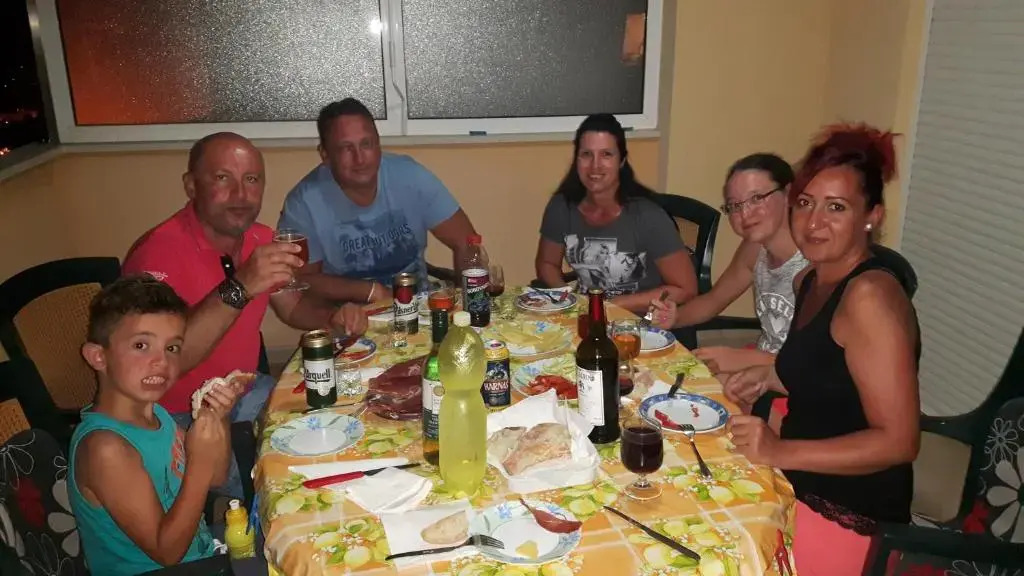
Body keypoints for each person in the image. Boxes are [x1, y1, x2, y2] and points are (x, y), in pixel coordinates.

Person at [123, 132, 367, 497]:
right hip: (176, 418)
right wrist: (241, 285)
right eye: (223, 178)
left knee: (346, 422)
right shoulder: (155, 255)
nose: (240, 194)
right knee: (295, 483)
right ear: (191, 185)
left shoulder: (261, 239)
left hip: (248, 394)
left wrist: (331, 318)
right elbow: (164, 364)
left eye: (251, 179)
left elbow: (292, 306)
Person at [724, 124, 920, 575]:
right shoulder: (810, 279)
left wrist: (778, 452)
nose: (813, 223)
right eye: (805, 203)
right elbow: (829, 368)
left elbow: (900, 442)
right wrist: (767, 376)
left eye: (836, 207)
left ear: (871, 216)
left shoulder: (869, 297)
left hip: (852, 515)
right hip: (796, 481)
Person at [70, 276, 240, 575]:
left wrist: (217, 417)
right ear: (98, 356)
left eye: (172, 348)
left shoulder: (155, 415)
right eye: (141, 345)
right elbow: (167, 552)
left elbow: (216, 477)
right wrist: (199, 462)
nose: (161, 361)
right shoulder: (105, 449)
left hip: (201, 556)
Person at [278, 97, 477, 302]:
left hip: (420, 308)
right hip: (350, 315)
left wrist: (473, 304)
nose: (359, 159)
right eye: (346, 148)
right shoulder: (303, 204)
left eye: (366, 144)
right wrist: (371, 292)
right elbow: (303, 280)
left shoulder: (410, 176)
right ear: (325, 155)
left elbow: (468, 243)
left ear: (378, 144)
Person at [651, 153, 807, 375]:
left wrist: (744, 359)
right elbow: (713, 300)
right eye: (734, 205)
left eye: (756, 198)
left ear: (788, 193)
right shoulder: (755, 249)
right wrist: (676, 317)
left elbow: (824, 364)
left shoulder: (813, 262)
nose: (745, 213)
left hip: (799, 379)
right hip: (766, 365)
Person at [535, 114, 697, 313]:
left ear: (621, 161)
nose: (595, 165)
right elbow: (547, 263)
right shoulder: (562, 207)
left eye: (606, 154)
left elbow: (686, 289)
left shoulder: (649, 217)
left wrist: (606, 306)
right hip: (586, 317)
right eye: (586, 154)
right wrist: (569, 298)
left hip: (640, 321)